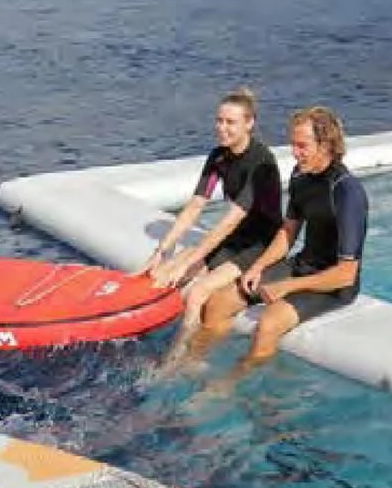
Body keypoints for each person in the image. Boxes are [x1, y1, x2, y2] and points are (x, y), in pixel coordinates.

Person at [196, 106, 367, 372]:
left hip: (333, 285)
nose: (295, 153)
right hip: (303, 265)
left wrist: (288, 286)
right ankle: (195, 365)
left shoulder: (346, 191)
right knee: (218, 302)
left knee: (269, 323)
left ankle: (228, 387)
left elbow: (346, 274)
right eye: (293, 145)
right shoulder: (300, 177)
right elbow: (288, 232)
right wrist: (258, 267)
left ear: (326, 145)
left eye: (303, 146)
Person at [142, 88, 285, 330]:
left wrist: (188, 263)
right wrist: (162, 249)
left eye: (231, 122)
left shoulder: (262, 163)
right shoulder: (219, 156)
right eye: (219, 121)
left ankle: (182, 359)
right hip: (235, 238)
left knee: (198, 292)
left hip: (260, 245)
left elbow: (229, 221)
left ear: (249, 123)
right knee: (163, 275)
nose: (222, 128)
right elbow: (196, 204)